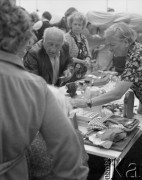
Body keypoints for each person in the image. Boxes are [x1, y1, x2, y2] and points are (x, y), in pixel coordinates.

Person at [0, 1, 88, 179]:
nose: (53, 48)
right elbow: (67, 148)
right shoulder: (34, 86)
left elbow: (68, 62)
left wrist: (68, 71)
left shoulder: (64, 49)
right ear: (24, 39)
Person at [71, 22, 142, 129]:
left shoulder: (137, 57)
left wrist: (87, 103)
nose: (110, 49)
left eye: (112, 45)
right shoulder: (136, 50)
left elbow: (117, 94)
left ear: (126, 42)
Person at [65, 11, 92, 81]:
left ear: (83, 26)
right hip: (70, 74)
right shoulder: (67, 37)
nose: (77, 26)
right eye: (75, 24)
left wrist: (88, 60)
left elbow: (89, 54)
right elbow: (67, 57)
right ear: (71, 24)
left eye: (79, 25)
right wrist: (83, 62)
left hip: (83, 73)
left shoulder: (83, 38)